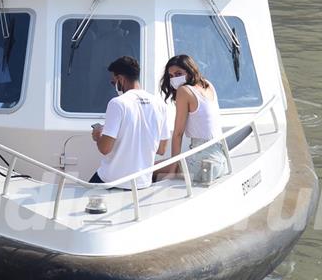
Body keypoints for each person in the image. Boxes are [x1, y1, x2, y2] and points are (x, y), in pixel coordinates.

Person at [91, 56, 170, 189]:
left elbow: (105, 149)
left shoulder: (118, 103)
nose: (114, 85)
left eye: (113, 82)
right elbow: (161, 149)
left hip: (112, 180)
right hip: (142, 183)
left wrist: (97, 136)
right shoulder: (160, 104)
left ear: (120, 79)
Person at [158, 54, 227, 182]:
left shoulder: (184, 91)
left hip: (203, 164)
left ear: (189, 71)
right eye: (171, 76)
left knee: (150, 171)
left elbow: (178, 134)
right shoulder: (207, 85)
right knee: (161, 166)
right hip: (221, 161)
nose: (174, 79)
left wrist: (172, 172)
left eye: (178, 74)